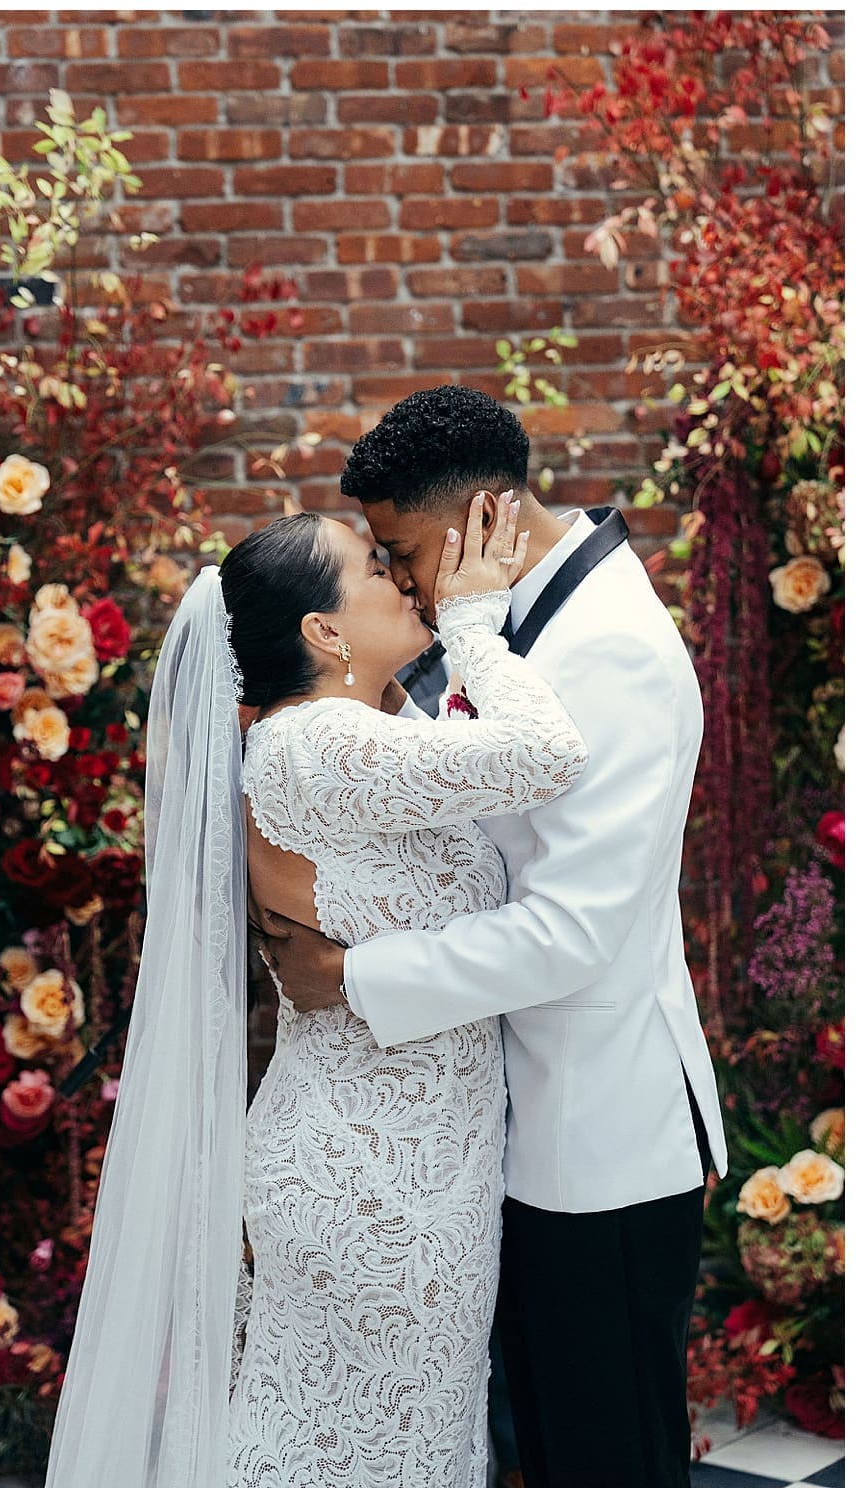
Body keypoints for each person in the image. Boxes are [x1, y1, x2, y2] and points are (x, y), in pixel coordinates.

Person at [49, 492, 589, 1483]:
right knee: (366, 1451)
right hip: (371, 1179)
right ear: (321, 627)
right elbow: (546, 754)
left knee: (391, 1442)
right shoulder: (313, 745)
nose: (401, 580)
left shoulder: (378, 726)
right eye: (375, 572)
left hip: (421, 1160)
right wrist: (472, 617)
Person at [265, 384, 726, 1487]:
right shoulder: (519, 625)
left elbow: (568, 929)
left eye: (400, 550)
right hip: (517, 1131)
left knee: (607, 1454)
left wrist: (351, 976)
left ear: (481, 518)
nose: (404, 581)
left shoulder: (606, 646)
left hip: (598, 1138)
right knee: (546, 1446)